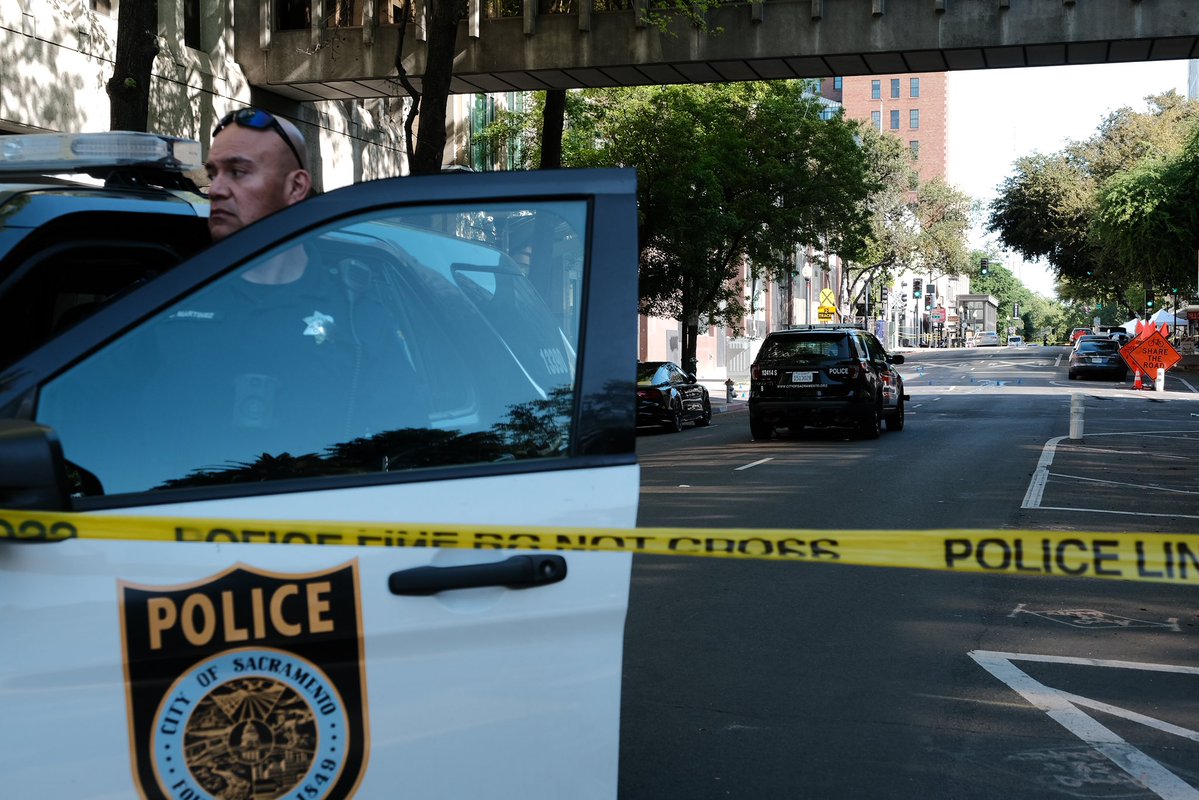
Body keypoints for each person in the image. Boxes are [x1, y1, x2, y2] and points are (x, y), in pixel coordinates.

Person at [205, 108, 312, 248]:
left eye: (237, 172)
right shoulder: (189, 269)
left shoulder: (342, 268)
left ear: (296, 187)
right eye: (212, 176)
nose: (214, 190)